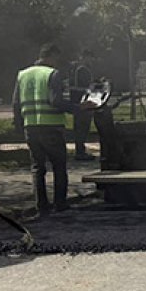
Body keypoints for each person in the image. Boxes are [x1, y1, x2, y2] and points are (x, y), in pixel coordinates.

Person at [13, 44, 93, 216]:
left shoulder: (22, 74)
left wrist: (20, 126)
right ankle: (60, 203)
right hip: (51, 127)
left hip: (30, 127)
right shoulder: (52, 74)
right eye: (57, 58)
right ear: (51, 56)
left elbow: (16, 103)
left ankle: (41, 205)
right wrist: (79, 108)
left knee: (37, 168)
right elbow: (55, 101)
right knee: (59, 165)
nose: (57, 62)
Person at [69, 49, 96, 162]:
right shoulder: (82, 69)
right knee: (82, 128)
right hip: (82, 102)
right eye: (89, 58)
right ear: (84, 57)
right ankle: (80, 152)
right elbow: (85, 86)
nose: (91, 60)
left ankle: (80, 150)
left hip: (78, 102)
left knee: (81, 128)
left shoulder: (76, 68)